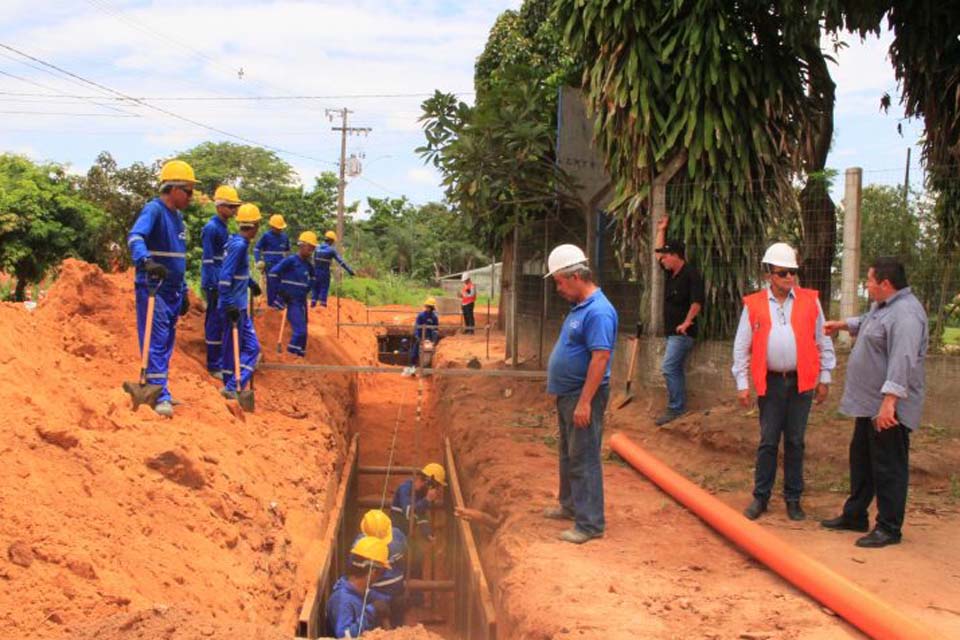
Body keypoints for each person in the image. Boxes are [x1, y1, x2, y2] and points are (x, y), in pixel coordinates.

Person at [821, 257, 928, 548]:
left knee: (888, 465)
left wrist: (889, 402)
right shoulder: (884, 307)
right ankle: (855, 515)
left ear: (885, 284)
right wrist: (842, 324)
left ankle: (889, 527)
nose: (866, 286)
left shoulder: (906, 314)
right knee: (863, 459)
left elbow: (903, 360)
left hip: (887, 408)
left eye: (868, 281)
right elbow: (868, 323)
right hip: (869, 404)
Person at [732, 242, 836, 521]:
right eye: (782, 273)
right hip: (771, 383)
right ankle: (761, 497)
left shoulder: (809, 300)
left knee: (795, 441)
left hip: (801, 381)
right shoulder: (753, 304)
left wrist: (825, 377)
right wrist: (742, 382)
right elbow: (742, 345)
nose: (789, 278)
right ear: (769, 274)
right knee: (768, 441)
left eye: (792, 272)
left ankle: (793, 498)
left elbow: (822, 338)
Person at [542, 244, 618, 544]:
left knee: (583, 456)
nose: (558, 288)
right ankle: (570, 505)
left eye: (560, 281)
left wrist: (585, 401)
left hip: (583, 395)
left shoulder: (599, 311)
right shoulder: (580, 308)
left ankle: (590, 524)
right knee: (568, 453)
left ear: (575, 276)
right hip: (569, 394)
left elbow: (600, 358)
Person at [126, 159, 198, 417]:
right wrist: (146, 261)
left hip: (172, 291)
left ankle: (159, 388)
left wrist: (185, 290)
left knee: (166, 342)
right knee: (155, 341)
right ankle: (160, 396)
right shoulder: (154, 210)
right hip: (153, 288)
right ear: (174, 189)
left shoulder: (178, 219)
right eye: (188, 191)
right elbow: (135, 237)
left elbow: (178, 257)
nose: (191, 196)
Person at [653, 215, 705, 426]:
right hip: (672, 333)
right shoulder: (670, 273)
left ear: (675, 256)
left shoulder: (691, 275)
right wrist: (661, 229)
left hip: (682, 334)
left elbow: (697, 302)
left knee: (668, 368)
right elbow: (657, 254)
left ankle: (676, 408)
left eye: (666, 257)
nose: (662, 260)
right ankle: (678, 407)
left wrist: (686, 322)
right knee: (674, 368)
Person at [218, 203, 263, 399]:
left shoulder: (238, 243)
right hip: (234, 306)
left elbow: (238, 272)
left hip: (239, 305)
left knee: (247, 348)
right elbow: (225, 276)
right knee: (246, 349)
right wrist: (228, 304)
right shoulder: (238, 246)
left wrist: (251, 283)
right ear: (254, 226)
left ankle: (232, 385)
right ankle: (231, 386)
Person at [200, 185, 241, 378]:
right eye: (231, 207)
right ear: (220, 206)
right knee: (214, 320)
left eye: (235, 207)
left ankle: (222, 361)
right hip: (214, 281)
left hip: (222, 280)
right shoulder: (211, 228)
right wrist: (212, 283)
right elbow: (208, 259)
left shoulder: (224, 228)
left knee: (221, 319)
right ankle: (213, 364)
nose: (234, 211)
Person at [391, 463, 444, 597]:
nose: (436, 490)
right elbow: (409, 512)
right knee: (399, 561)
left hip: (407, 535)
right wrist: (427, 499)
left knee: (417, 556)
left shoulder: (421, 493)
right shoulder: (405, 488)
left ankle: (415, 596)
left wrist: (428, 534)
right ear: (428, 481)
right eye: (436, 486)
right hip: (396, 535)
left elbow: (421, 517)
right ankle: (397, 597)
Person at [326, 535, 392, 638]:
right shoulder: (342, 600)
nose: (381, 576)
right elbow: (343, 636)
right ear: (373, 572)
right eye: (383, 572)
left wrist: (393, 601)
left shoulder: (358, 590)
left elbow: (376, 598)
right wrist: (371, 612)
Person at [353, 509, 408, 627]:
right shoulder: (398, 536)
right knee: (398, 625)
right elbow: (406, 551)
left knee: (374, 626)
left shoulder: (359, 544)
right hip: (397, 588)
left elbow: (354, 567)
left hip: (373, 592)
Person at [270, 231, 318, 357]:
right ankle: (290, 355)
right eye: (310, 247)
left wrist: (309, 289)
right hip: (292, 301)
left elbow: (313, 279)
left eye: (313, 248)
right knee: (299, 331)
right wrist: (281, 291)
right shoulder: (291, 261)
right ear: (301, 245)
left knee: (304, 332)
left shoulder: (308, 266)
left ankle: (300, 356)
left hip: (302, 301)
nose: (311, 251)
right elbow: (273, 273)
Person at [254, 214, 290, 309]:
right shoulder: (266, 236)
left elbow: (287, 251)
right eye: (277, 228)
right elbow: (257, 248)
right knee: (271, 284)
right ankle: (271, 305)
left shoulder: (284, 237)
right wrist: (258, 260)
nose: (279, 230)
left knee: (282, 283)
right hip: (270, 264)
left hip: (281, 263)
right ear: (272, 226)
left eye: (280, 228)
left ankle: (280, 303)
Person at [314, 230, 355, 307]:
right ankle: (322, 308)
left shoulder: (317, 248)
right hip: (324, 273)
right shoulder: (331, 250)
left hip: (315, 272)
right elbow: (341, 262)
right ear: (331, 240)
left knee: (315, 289)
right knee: (324, 289)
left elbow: (314, 260)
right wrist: (350, 271)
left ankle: (313, 307)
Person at [403, 298, 439, 376]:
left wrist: (433, 341)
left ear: (432, 307)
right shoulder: (421, 315)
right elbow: (417, 326)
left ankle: (426, 372)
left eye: (428, 306)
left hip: (429, 339)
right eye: (426, 306)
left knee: (428, 355)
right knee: (414, 354)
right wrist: (417, 336)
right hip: (419, 337)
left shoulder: (434, 317)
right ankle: (411, 370)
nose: (427, 308)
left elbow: (436, 329)